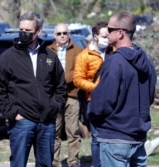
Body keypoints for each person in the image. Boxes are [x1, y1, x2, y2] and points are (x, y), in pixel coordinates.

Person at [0, 12, 67, 167]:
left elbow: (60, 86)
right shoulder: (7, 58)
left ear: (38, 31)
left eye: (28, 31)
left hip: (47, 122)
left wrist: (55, 107)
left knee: (46, 164)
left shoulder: (49, 56)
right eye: (21, 30)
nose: (23, 33)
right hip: (22, 123)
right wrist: (13, 113)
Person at [87, 12, 157, 167]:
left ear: (120, 33)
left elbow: (102, 101)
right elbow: (149, 97)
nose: (106, 32)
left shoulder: (115, 62)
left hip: (115, 138)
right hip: (137, 137)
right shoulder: (145, 60)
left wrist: (92, 115)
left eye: (109, 29)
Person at [73, 21, 113, 167]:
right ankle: (97, 164)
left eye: (109, 35)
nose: (107, 39)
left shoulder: (113, 51)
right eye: (104, 36)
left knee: (111, 136)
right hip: (93, 100)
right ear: (95, 36)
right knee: (96, 137)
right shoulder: (84, 56)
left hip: (113, 100)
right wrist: (95, 87)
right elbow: (77, 79)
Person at [47, 23, 82, 167]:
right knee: (54, 131)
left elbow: (80, 72)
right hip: (54, 97)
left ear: (69, 34)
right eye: (59, 33)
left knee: (73, 131)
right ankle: (54, 161)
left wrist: (65, 78)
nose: (62, 36)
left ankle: (73, 161)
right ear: (54, 36)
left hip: (72, 95)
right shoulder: (47, 51)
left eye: (65, 33)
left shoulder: (78, 51)